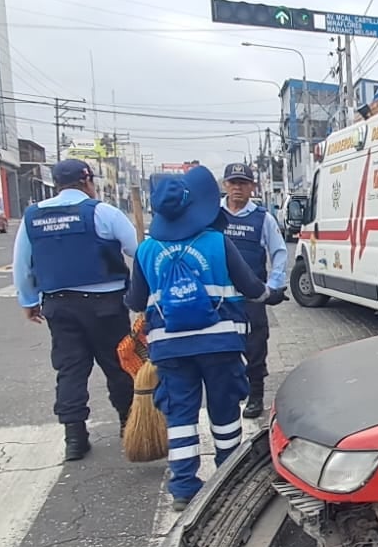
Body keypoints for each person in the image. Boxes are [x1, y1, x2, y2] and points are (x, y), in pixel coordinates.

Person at [124, 165, 286, 510]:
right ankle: (227, 477)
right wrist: (270, 294)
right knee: (225, 411)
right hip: (220, 344)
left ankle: (183, 487)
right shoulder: (217, 241)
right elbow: (252, 288)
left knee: (180, 415)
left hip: (169, 349)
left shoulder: (146, 250)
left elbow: (135, 301)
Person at [12, 159, 141, 462]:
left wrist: (29, 302)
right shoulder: (102, 212)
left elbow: (22, 264)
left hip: (60, 305)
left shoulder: (32, 217)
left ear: (57, 184)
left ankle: (75, 437)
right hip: (106, 305)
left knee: (70, 370)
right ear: (87, 181)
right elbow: (138, 250)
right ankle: (129, 424)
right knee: (119, 366)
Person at [218, 163, 289, 419]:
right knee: (222, 349)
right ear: (225, 185)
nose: (237, 188)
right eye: (233, 182)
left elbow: (279, 252)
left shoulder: (262, 218)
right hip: (219, 298)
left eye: (243, 183)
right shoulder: (212, 215)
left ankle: (255, 396)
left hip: (252, 296)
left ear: (251, 187)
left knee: (256, 347)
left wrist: (273, 286)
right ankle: (228, 394)